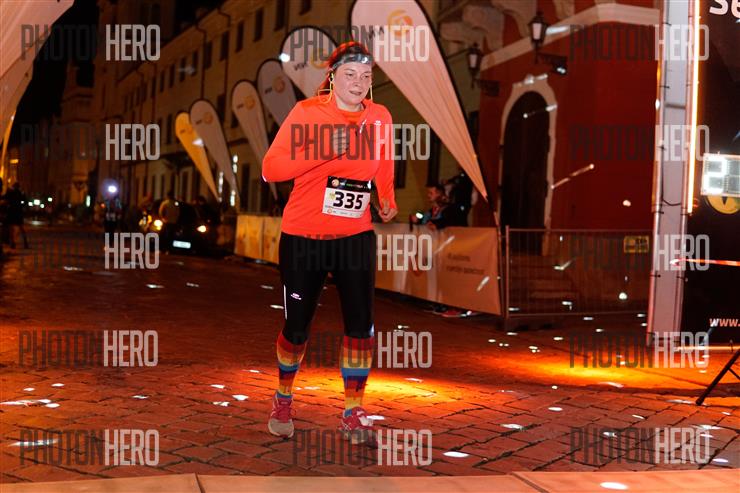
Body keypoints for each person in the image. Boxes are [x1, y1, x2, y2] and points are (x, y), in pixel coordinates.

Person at [262, 41, 397, 444]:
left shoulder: (380, 117)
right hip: (304, 236)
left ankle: (353, 411)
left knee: (361, 324)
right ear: (333, 77)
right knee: (297, 327)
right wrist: (321, 150)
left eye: (366, 76)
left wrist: (387, 198)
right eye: (350, 75)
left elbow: (384, 163)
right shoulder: (307, 113)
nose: (358, 83)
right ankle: (283, 397)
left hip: (355, 234)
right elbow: (270, 169)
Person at [4, 183, 29, 249]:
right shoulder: (20, 193)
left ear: (14, 187)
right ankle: (25, 242)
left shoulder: (11, 193)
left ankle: (12, 243)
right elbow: (25, 201)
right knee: (21, 228)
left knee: (10, 228)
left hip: (11, 211)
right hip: (18, 212)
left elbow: (5, 198)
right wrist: (21, 206)